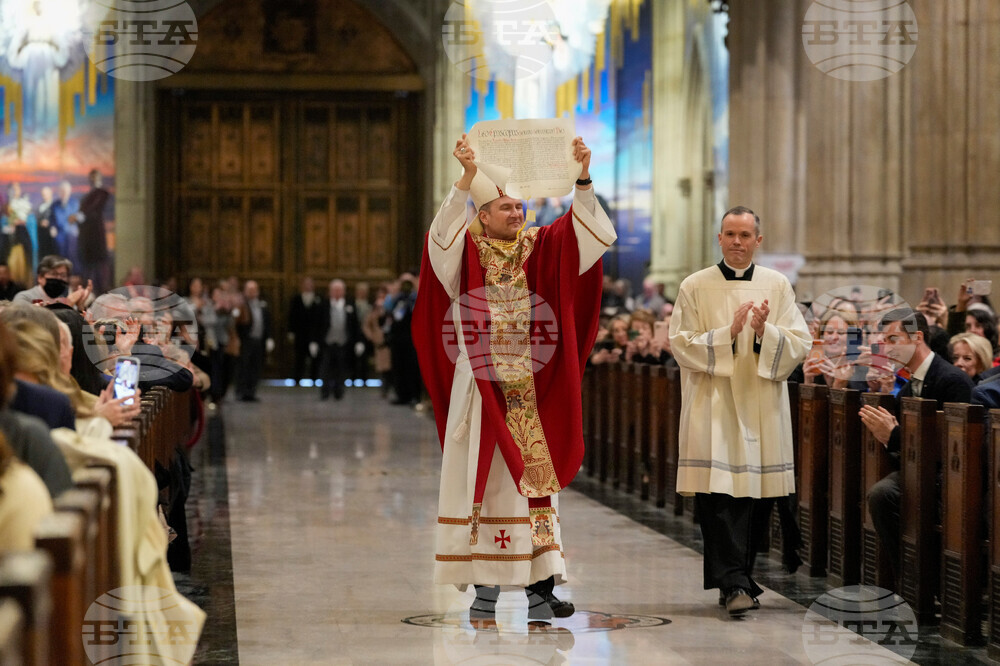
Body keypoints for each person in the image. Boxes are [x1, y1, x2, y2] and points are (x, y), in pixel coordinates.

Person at [413, 133, 615, 622]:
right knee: (483, 483)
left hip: (530, 388)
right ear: (482, 215)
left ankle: (540, 589)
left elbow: (584, 238)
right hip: (482, 388)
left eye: (519, 206)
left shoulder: (538, 245)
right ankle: (484, 589)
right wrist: (465, 178)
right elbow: (438, 240)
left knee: (536, 484)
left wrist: (583, 179)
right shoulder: (465, 251)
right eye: (506, 207)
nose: (516, 213)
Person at [669, 205, 811, 616]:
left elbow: (800, 343)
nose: (737, 242)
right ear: (719, 238)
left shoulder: (777, 285)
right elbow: (680, 343)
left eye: (745, 235)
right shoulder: (695, 285)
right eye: (730, 234)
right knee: (718, 497)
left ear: (757, 240)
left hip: (761, 406)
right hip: (713, 405)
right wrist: (726, 334)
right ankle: (734, 583)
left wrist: (766, 332)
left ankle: (737, 579)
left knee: (755, 498)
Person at [860, 307, 974, 580]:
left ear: (917, 337)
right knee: (872, 488)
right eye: (884, 340)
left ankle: (914, 579)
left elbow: (955, 445)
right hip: (917, 470)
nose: (886, 348)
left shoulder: (952, 380)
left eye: (893, 339)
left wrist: (893, 436)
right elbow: (898, 435)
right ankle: (909, 578)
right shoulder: (911, 384)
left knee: (882, 494)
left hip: (951, 477)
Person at [318, 279, 360, 401]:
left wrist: (358, 341)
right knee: (325, 368)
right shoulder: (324, 304)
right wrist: (314, 341)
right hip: (327, 341)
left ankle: (339, 391)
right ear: (330, 291)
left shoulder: (350, 304)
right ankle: (325, 392)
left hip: (343, 342)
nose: (337, 292)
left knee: (341, 368)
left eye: (339, 290)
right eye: (334, 290)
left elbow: (355, 324)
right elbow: (317, 323)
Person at [234, 280, 272, 401]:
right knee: (244, 366)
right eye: (249, 290)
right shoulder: (241, 305)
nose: (252, 292)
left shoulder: (262, 305)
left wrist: (269, 338)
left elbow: (267, 322)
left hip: (259, 341)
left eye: (254, 290)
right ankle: (241, 392)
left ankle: (251, 392)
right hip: (246, 340)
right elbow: (235, 323)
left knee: (256, 367)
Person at [75, 169, 111, 292]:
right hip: (87, 238)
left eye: (95, 177)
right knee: (88, 269)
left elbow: (93, 209)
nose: (93, 180)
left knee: (98, 269)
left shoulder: (103, 193)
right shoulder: (87, 196)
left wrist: (80, 216)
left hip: (96, 236)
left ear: (99, 178)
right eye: (91, 177)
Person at [288, 277, 324, 384]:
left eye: (310, 284)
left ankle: (315, 379)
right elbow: (292, 316)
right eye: (306, 284)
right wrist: (291, 331)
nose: (308, 286)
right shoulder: (296, 299)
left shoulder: (319, 299)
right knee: (299, 357)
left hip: (315, 334)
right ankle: (297, 380)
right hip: (300, 334)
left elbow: (322, 318)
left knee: (315, 358)